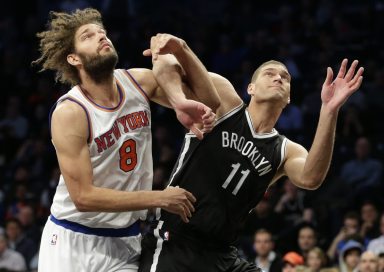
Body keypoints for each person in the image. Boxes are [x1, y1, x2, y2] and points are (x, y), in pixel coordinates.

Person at [139, 33, 364, 272]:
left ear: (288, 98)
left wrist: (329, 110)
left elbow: (311, 178)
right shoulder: (225, 101)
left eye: (285, 77)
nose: (278, 77)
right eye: (270, 73)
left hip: (222, 254)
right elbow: (162, 72)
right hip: (176, 241)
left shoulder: (285, 150)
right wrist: (181, 50)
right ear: (251, 88)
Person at [32, 8, 217, 272]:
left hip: (125, 241)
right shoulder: (71, 112)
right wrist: (159, 198)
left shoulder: (137, 82)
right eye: (88, 36)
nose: (101, 37)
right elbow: (83, 197)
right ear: (73, 58)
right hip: (71, 241)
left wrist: (182, 50)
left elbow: (209, 101)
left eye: (102, 33)